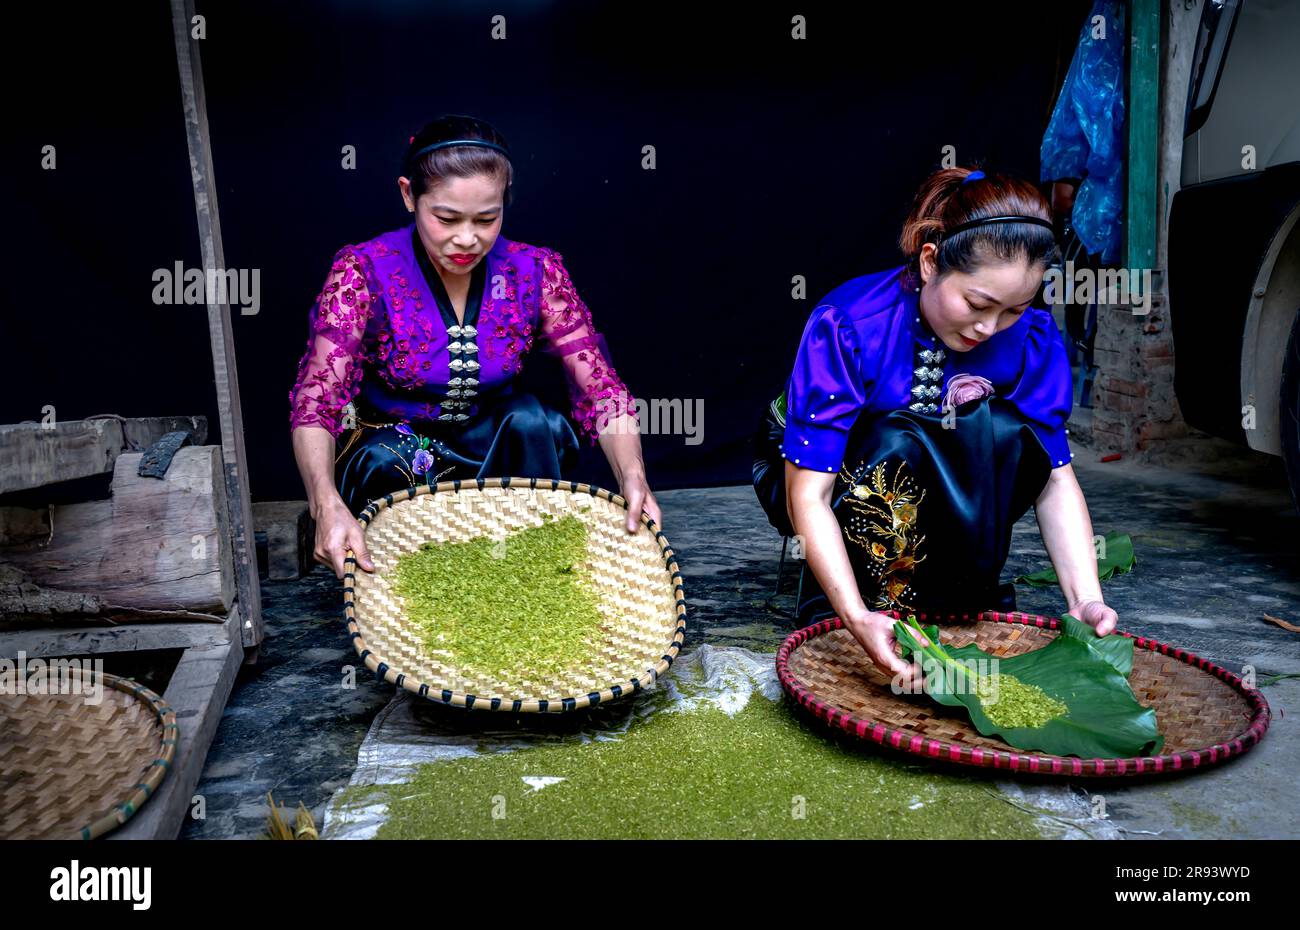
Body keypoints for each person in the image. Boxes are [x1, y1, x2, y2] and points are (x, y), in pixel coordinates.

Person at [753, 166, 1118, 688]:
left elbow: (1053, 479)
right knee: (898, 439)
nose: (989, 328)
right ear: (930, 263)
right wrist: (855, 617)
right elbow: (808, 493)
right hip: (819, 473)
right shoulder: (851, 323)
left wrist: (1085, 599)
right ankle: (858, 599)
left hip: (938, 468)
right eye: (977, 303)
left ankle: (959, 587)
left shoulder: (1032, 338)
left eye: (1014, 309)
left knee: (1013, 433)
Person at [290, 114, 660, 579]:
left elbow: (600, 389)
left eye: (487, 219)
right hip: (398, 449)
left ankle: (528, 570)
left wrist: (634, 474)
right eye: (446, 218)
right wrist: (324, 504)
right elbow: (316, 401)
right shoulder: (364, 270)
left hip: (495, 446)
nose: (467, 239)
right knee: (387, 458)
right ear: (408, 195)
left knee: (533, 422)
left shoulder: (533, 270)